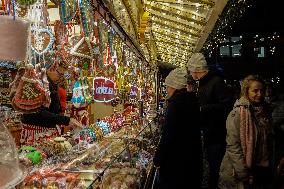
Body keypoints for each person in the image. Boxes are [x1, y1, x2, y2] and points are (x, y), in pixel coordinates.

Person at [187, 53, 233, 189]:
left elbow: (227, 106)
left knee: (215, 168)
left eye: (190, 70)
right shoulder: (203, 83)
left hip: (216, 135)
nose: (190, 73)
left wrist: (202, 109)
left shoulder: (216, 82)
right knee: (211, 167)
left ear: (196, 69)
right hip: (209, 133)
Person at [219, 75, 273, 189]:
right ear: (246, 91)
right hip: (239, 172)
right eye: (255, 91)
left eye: (262, 90)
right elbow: (233, 146)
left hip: (261, 169)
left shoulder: (265, 113)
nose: (259, 94)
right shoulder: (237, 113)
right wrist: (243, 173)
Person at [153, 68, 202, 188]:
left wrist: (158, 159)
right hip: (191, 158)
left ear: (174, 86)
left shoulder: (175, 105)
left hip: (175, 161)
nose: (166, 89)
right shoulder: (192, 100)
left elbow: (168, 135)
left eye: (168, 86)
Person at [20, 62, 82, 145]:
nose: (61, 78)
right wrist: (66, 120)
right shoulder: (38, 83)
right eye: (60, 74)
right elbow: (39, 112)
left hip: (46, 127)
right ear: (50, 69)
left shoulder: (50, 84)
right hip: (36, 130)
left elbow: (52, 108)